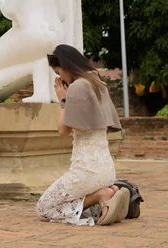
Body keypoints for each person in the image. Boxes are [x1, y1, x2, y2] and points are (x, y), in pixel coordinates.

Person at [36, 44, 129, 226]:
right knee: (76, 206)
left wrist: (63, 98)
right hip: (106, 170)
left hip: (86, 172)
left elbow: (63, 131)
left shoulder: (78, 87)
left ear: (66, 66)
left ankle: (103, 195)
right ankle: (108, 198)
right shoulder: (98, 82)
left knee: (44, 208)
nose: (59, 77)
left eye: (58, 71)